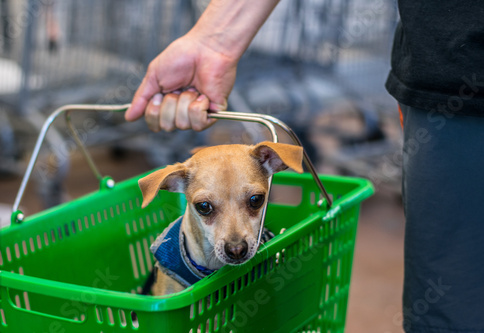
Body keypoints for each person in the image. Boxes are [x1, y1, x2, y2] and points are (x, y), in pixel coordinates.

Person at [126, 0, 484, 332]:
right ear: (173, 186)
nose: (236, 241)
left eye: (253, 202)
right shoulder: (171, 260)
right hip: (451, 75)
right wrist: (213, 43)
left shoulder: (262, 211)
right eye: (207, 208)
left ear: (272, 164)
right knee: (452, 303)